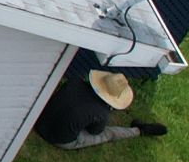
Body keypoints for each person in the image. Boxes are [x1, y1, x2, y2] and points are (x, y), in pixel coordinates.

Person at [33, 52, 169, 150]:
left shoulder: (74, 82)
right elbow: (94, 131)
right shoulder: (101, 113)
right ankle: (139, 131)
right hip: (59, 139)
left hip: (38, 120)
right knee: (108, 134)